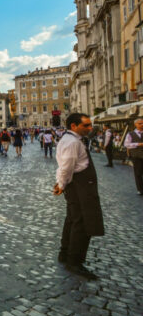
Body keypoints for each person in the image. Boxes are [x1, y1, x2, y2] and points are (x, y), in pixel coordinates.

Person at [53, 112, 103, 280]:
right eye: (86, 125)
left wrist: (61, 183)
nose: (90, 128)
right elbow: (66, 167)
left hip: (77, 183)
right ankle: (74, 261)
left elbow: (64, 167)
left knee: (73, 218)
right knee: (82, 221)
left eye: (90, 125)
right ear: (73, 126)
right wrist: (61, 184)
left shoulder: (70, 140)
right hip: (80, 184)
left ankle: (65, 253)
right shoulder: (72, 142)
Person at [124, 118, 143, 195]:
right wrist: (138, 144)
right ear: (135, 124)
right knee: (138, 173)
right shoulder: (130, 134)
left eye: (142, 123)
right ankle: (140, 189)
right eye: (140, 123)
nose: (142, 125)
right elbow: (126, 144)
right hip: (136, 156)